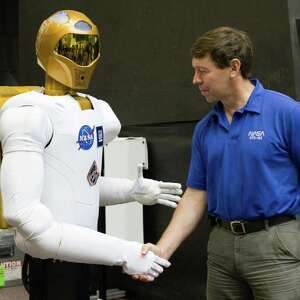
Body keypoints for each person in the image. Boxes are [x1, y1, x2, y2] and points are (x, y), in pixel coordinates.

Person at [0, 10, 183, 298]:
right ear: (49, 50)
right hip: (54, 264)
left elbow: (80, 187)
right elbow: (23, 214)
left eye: (89, 49)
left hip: (85, 258)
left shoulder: (97, 112)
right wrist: (123, 251)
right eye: (72, 48)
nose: (82, 58)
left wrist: (130, 191)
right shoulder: (28, 115)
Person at [137, 26, 300, 299]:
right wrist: (162, 250)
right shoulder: (206, 128)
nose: (195, 80)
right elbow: (196, 194)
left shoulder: (286, 113)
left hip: (276, 245)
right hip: (222, 247)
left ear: (233, 67)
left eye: (203, 71)